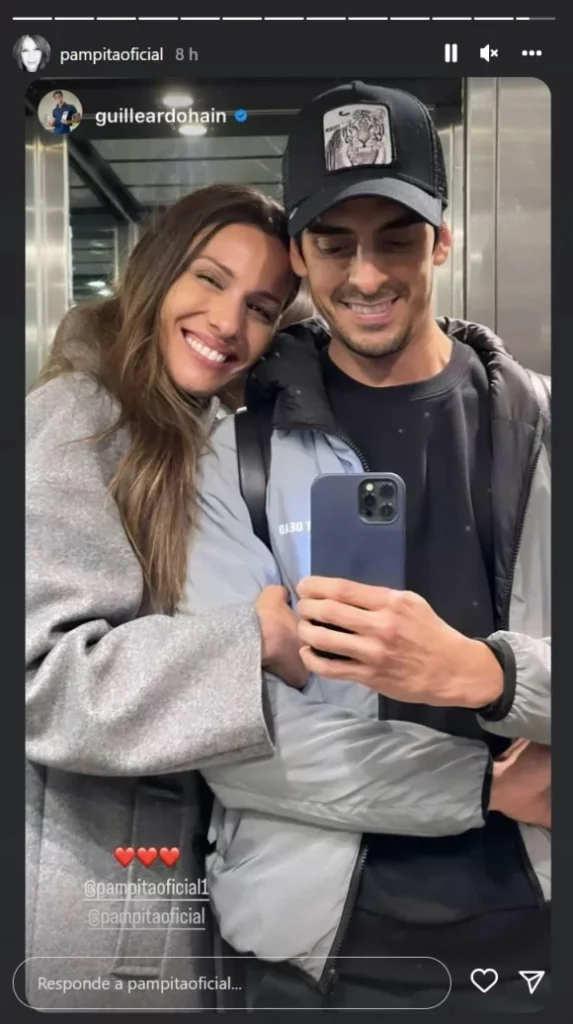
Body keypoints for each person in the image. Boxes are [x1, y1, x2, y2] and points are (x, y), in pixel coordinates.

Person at [182, 83, 551, 1012]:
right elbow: (232, 731)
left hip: (539, 924)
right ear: (298, 256)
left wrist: (488, 675)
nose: (366, 274)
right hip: (314, 949)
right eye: (334, 243)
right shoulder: (233, 458)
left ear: (441, 241)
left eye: (395, 238)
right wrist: (482, 787)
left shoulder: (544, 429)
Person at [26, 183, 309, 1011]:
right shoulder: (79, 416)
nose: (227, 322)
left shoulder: (196, 433)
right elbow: (42, 676)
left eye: (260, 307)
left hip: (170, 880)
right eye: (209, 279)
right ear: (155, 271)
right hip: (89, 892)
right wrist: (251, 640)